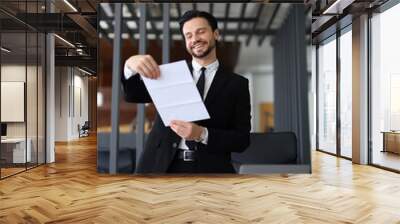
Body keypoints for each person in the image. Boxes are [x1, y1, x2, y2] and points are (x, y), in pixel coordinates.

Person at [122, 10, 251, 173]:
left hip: (211, 169)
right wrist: (129, 65)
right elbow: (133, 95)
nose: (195, 39)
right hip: (161, 166)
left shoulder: (237, 84)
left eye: (201, 32)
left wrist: (201, 134)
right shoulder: (169, 74)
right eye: (188, 35)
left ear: (216, 34)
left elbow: (242, 140)